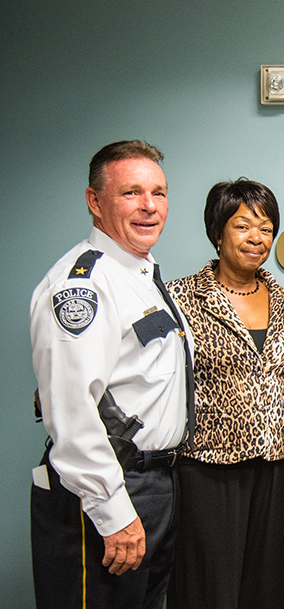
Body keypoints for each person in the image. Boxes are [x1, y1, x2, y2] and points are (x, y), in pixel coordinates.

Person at [29, 140, 190, 608]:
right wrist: (114, 512)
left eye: (158, 193)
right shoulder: (82, 286)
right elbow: (71, 410)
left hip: (154, 484)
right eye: (131, 193)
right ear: (94, 201)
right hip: (106, 490)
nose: (149, 206)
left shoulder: (139, 274)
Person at [166, 179, 284, 609]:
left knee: (269, 587)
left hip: (277, 463)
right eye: (243, 226)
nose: (256, 238)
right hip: (208, 467)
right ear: (218, 230)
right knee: (210, 588)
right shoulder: (182, 297)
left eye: (265, 228)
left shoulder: (283, 301)